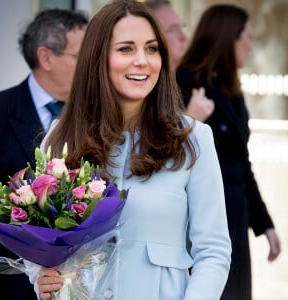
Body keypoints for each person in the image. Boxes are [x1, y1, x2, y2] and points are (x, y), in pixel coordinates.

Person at [34, 1, 231, 299]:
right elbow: (42, 245)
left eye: (152, 49)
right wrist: (40, 279)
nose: (142, 61)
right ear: (98, 57)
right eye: (126, 49)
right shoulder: (60, 136)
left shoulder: (194, 138)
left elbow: (214, 252)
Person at [176, 4, 281, 300]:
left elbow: (241, 164)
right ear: (228, 38)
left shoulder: (231, 90)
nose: (250, 46)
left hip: (234, 218)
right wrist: (190, 118)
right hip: (199, 224)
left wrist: (265, 224)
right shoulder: (184, 82)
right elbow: (163, 154)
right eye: (246, 37)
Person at [0, 8, 88, 300]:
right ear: (46, 57)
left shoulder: (98, 119)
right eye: (80, 56)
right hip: (9, 286)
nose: (90, 67)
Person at [145, 0, 214, 122]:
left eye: (183, 28)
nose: (183, 37)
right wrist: (192, 119)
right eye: (174, 30)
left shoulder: (185, 84)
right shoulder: (141, 89)